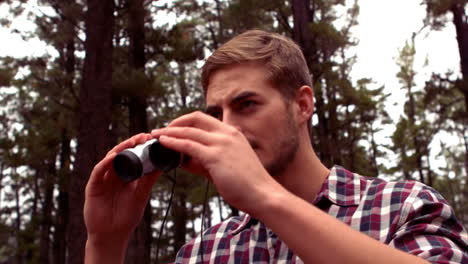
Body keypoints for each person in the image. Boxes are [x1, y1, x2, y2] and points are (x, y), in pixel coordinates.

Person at [84, 30, 468, 263]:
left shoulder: (403, 207)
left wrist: (265, 197)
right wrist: (106, 242)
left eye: (246, 105)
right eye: (216, 113)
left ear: (302, 105)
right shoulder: (208, 250)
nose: (229, 128)